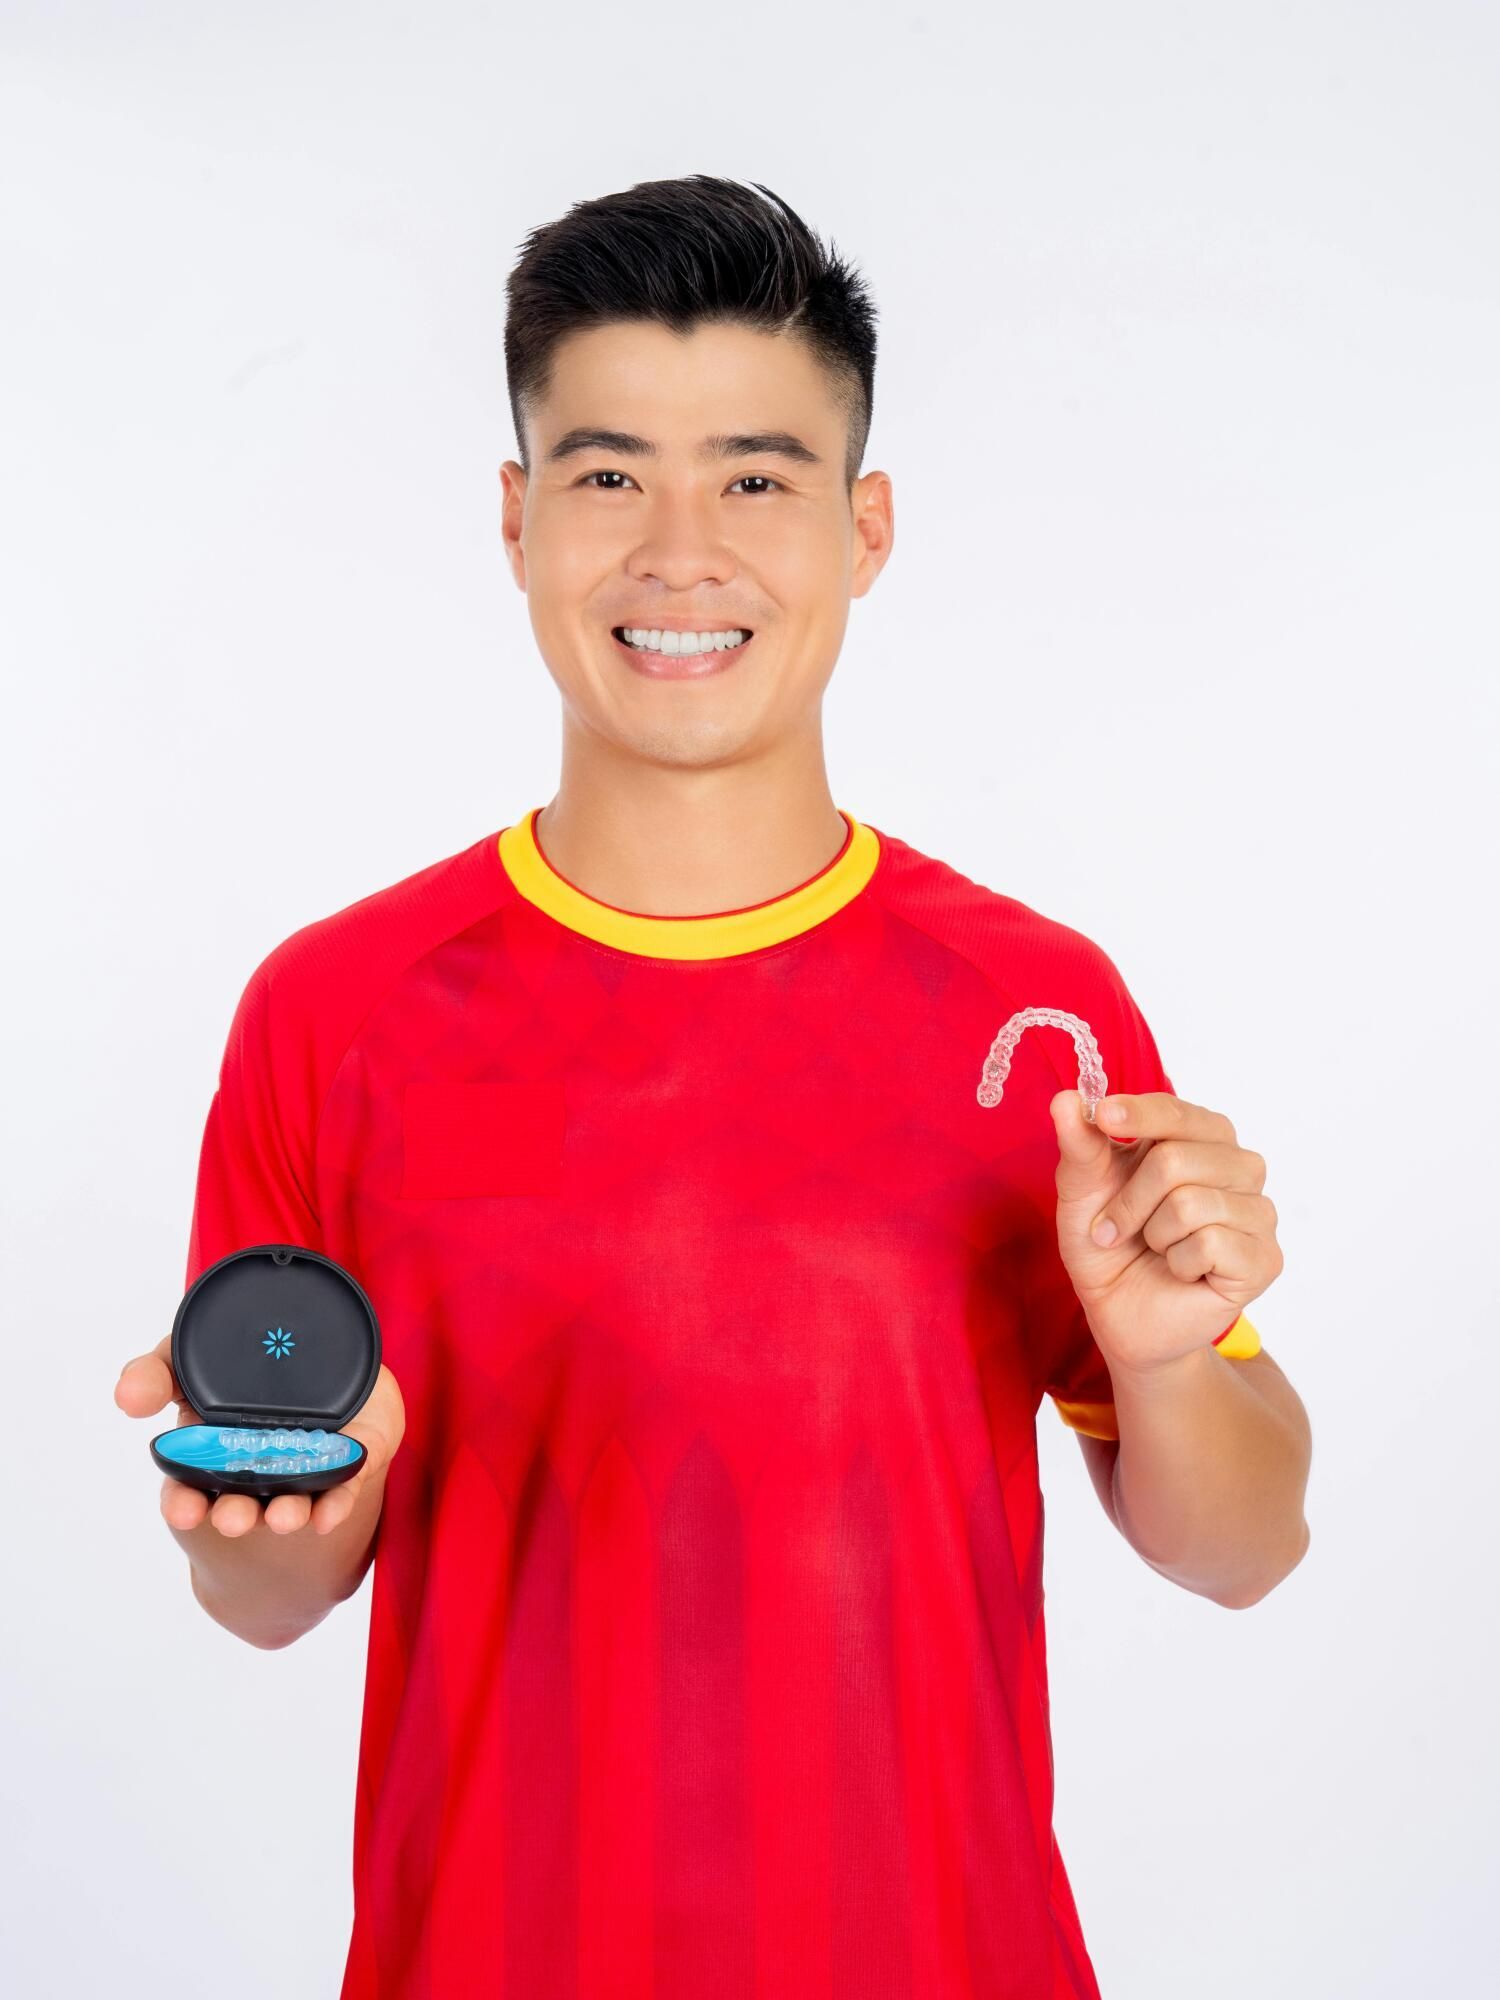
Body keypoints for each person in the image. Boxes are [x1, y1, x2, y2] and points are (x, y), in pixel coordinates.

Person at [116, 175, 1312, 1999]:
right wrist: (287, 1513)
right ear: (517, 523)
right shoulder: (335, 1010)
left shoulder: (1037, 1016)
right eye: (607, 478)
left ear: (866, 526)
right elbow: (267, 1601)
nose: (681, 553)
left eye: (755, 478)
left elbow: (1247, 1548)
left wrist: (1160, 1358)